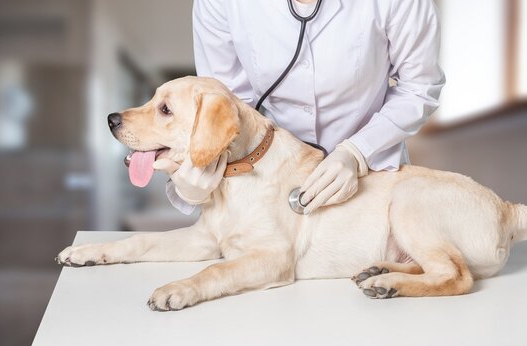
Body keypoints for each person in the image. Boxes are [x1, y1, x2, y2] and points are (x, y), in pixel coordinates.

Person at [154, 0, 445, 215]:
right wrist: (194, 184)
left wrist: (358, 151)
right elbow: (225, 106)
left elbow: (419, 87)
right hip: (265, 177)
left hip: (371, 173)